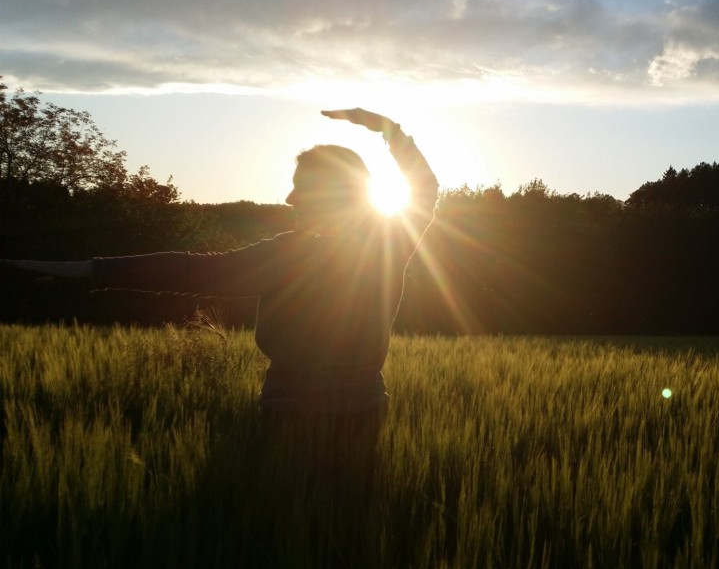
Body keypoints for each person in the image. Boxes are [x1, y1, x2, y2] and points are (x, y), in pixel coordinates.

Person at [1, 108, 439, 469]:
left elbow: (185, 271)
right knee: (349, 524)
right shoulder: (389, 243)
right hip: (362, 406)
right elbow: (424, 188)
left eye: (301, 189)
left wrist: (87, 270)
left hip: (291, 407)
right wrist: (389, 131)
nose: (290, 199)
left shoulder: (288, 255)